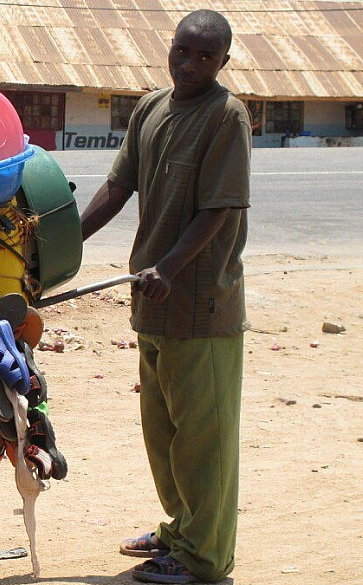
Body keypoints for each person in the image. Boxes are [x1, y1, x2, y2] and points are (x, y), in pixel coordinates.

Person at [79, 9, 250, 585]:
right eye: (184, 52)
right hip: (150, 296)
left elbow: (219, 208)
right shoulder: (151, 109)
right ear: (169, 49)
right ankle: (181, 528)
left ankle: (205, 557)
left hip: (200, 301)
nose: (192, 65)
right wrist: (64, 243)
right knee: (164, 431)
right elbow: (117, 186)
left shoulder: (227, 116)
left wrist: (171, 267)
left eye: (207, 57)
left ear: (223, 62)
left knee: (204, 437)